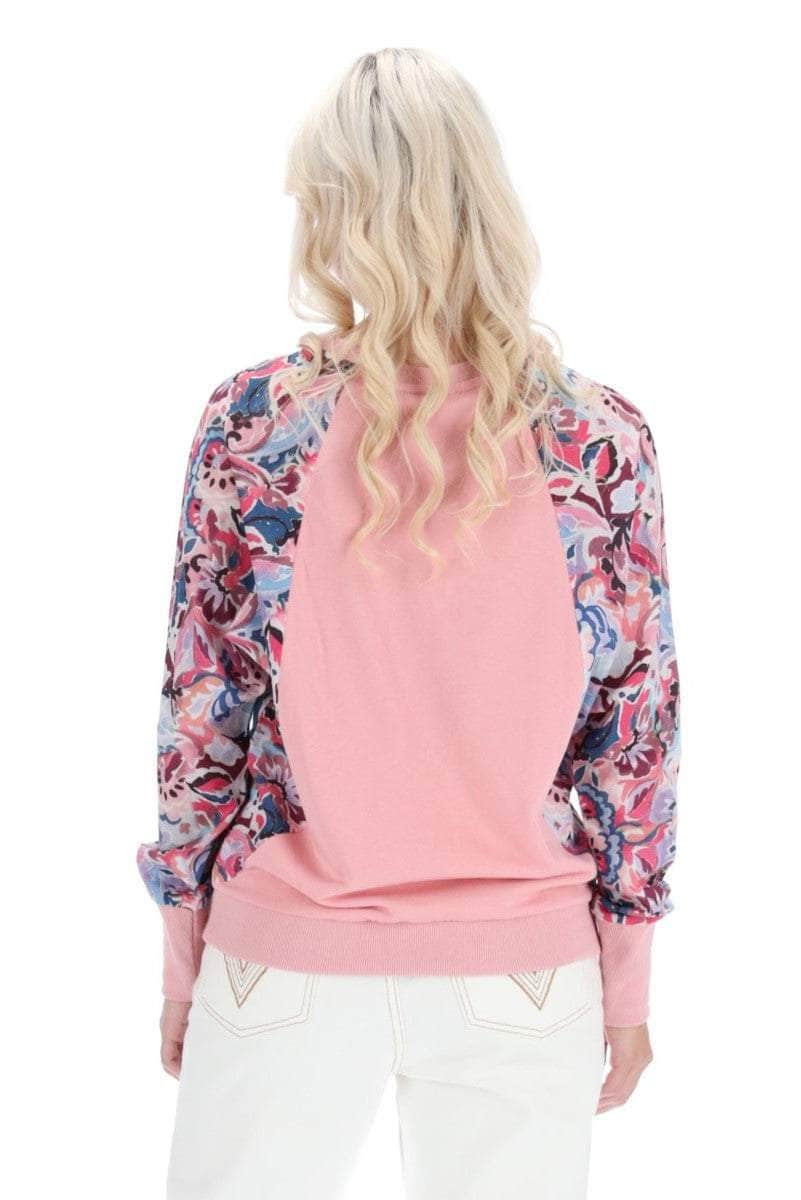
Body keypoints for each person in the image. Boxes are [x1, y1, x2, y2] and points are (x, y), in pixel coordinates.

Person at [137, 46, 681, 1200]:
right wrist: (627, 979)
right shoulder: (598, 441)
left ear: (340, 215)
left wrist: (183, 959)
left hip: (285, 960)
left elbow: (202, 719)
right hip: (523, 973)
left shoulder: (256, 427)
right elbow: (633, 741)